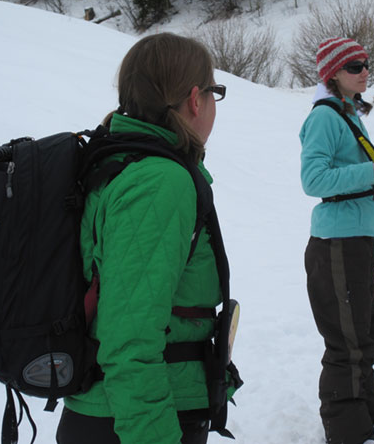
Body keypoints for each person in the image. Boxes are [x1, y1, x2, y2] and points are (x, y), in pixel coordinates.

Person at [56, 32, 239, 444]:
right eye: (215, 92)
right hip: (133, 421)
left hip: (118, 412)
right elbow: (130, 337)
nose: (213, 105)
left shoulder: (123, 162)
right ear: (195, 99)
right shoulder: (159, 181)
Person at [299, 37, 374, 444]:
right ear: (333, 75)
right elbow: (314, 180)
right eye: (354, 66)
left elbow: (354, 182)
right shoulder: (324, 117)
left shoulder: (348, 113)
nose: (364, 71)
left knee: (364, 336)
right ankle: (349, 433)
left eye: (366, 63)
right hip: (335, 246)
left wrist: (372, 238)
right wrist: (371, 174)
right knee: (347, 342)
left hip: (355, 241)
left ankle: (369, 415)